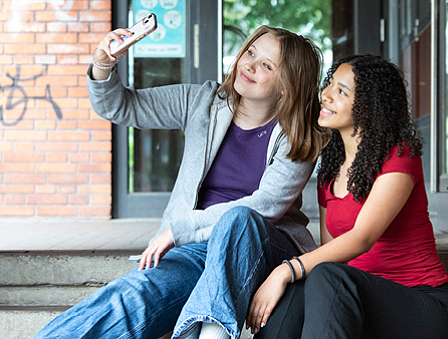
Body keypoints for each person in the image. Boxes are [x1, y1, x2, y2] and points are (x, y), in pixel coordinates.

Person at [33, 25, 325, 339]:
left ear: (288, 85)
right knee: (129, 298)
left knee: (238, 220)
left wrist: (180, 228)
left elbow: (266, 206)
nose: (250, 65)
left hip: (263, 249)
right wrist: (104, 61)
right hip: (195, 250)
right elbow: (119, 105)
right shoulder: (201, 101)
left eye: (267, 65)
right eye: (250, 52)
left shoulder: (298, 134)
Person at [246, 54, 448, 339]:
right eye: (330, 84)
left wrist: (283, 271)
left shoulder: (399, 156)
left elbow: (362, 238)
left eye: (341, 91)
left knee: (317, 275)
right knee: (303, 285)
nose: (325, 95)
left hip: (424, 308)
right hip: (359, 301)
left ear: (369, 106)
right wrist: (290, 278)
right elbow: (333, 254)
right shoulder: (330, 172)